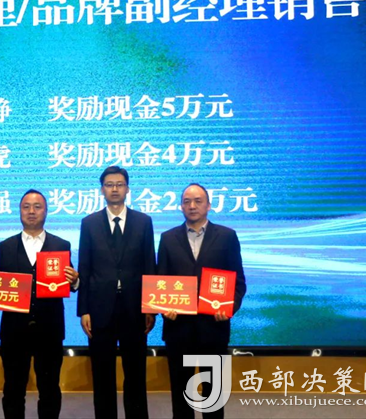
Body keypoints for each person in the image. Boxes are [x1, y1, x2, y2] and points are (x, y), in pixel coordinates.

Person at [0, 189, 79, 419]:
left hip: (50, 329)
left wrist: (75, 280)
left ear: (46, 211)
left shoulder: (61, 244)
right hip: (14, 330)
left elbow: (71, 282)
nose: (31, 211)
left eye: (37, 206)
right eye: (26, 207)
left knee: (49, 388)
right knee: (13, 389)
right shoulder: (5, 246)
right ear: (19, 211)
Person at [158, 183, 247, 419]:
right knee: (181, 395)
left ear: (208, 205)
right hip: (178, 328)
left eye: (198, 201)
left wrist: (229, 308)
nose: (192, 206)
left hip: (213, 327)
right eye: (187, 201)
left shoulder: (227, 237)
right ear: (180, 206)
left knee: (213, 396)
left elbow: (238, 282)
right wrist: (163, 308)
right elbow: (160, 281)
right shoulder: (167, 238)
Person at [77, 165, 156, 419]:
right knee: (102, 375)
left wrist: (151, 308)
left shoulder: (143, 222)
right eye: (109, 184)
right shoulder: (89, 223)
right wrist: (83, 310)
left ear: (127, 189)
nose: (114, 189)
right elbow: (84, 267)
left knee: (136, 374)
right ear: (101, 189)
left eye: (119, 184)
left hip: (135, 309)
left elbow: (149, 265)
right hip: (100, 310)